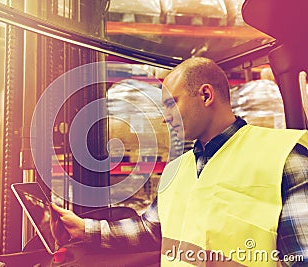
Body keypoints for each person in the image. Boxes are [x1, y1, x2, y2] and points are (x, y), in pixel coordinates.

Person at [51, 57, 308, 266]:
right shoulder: (177, 169)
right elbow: (152, 229)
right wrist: (84, 229)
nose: (165, 118)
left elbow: (302, 255)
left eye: (172, 104)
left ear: (206, 96)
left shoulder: (283, 156)